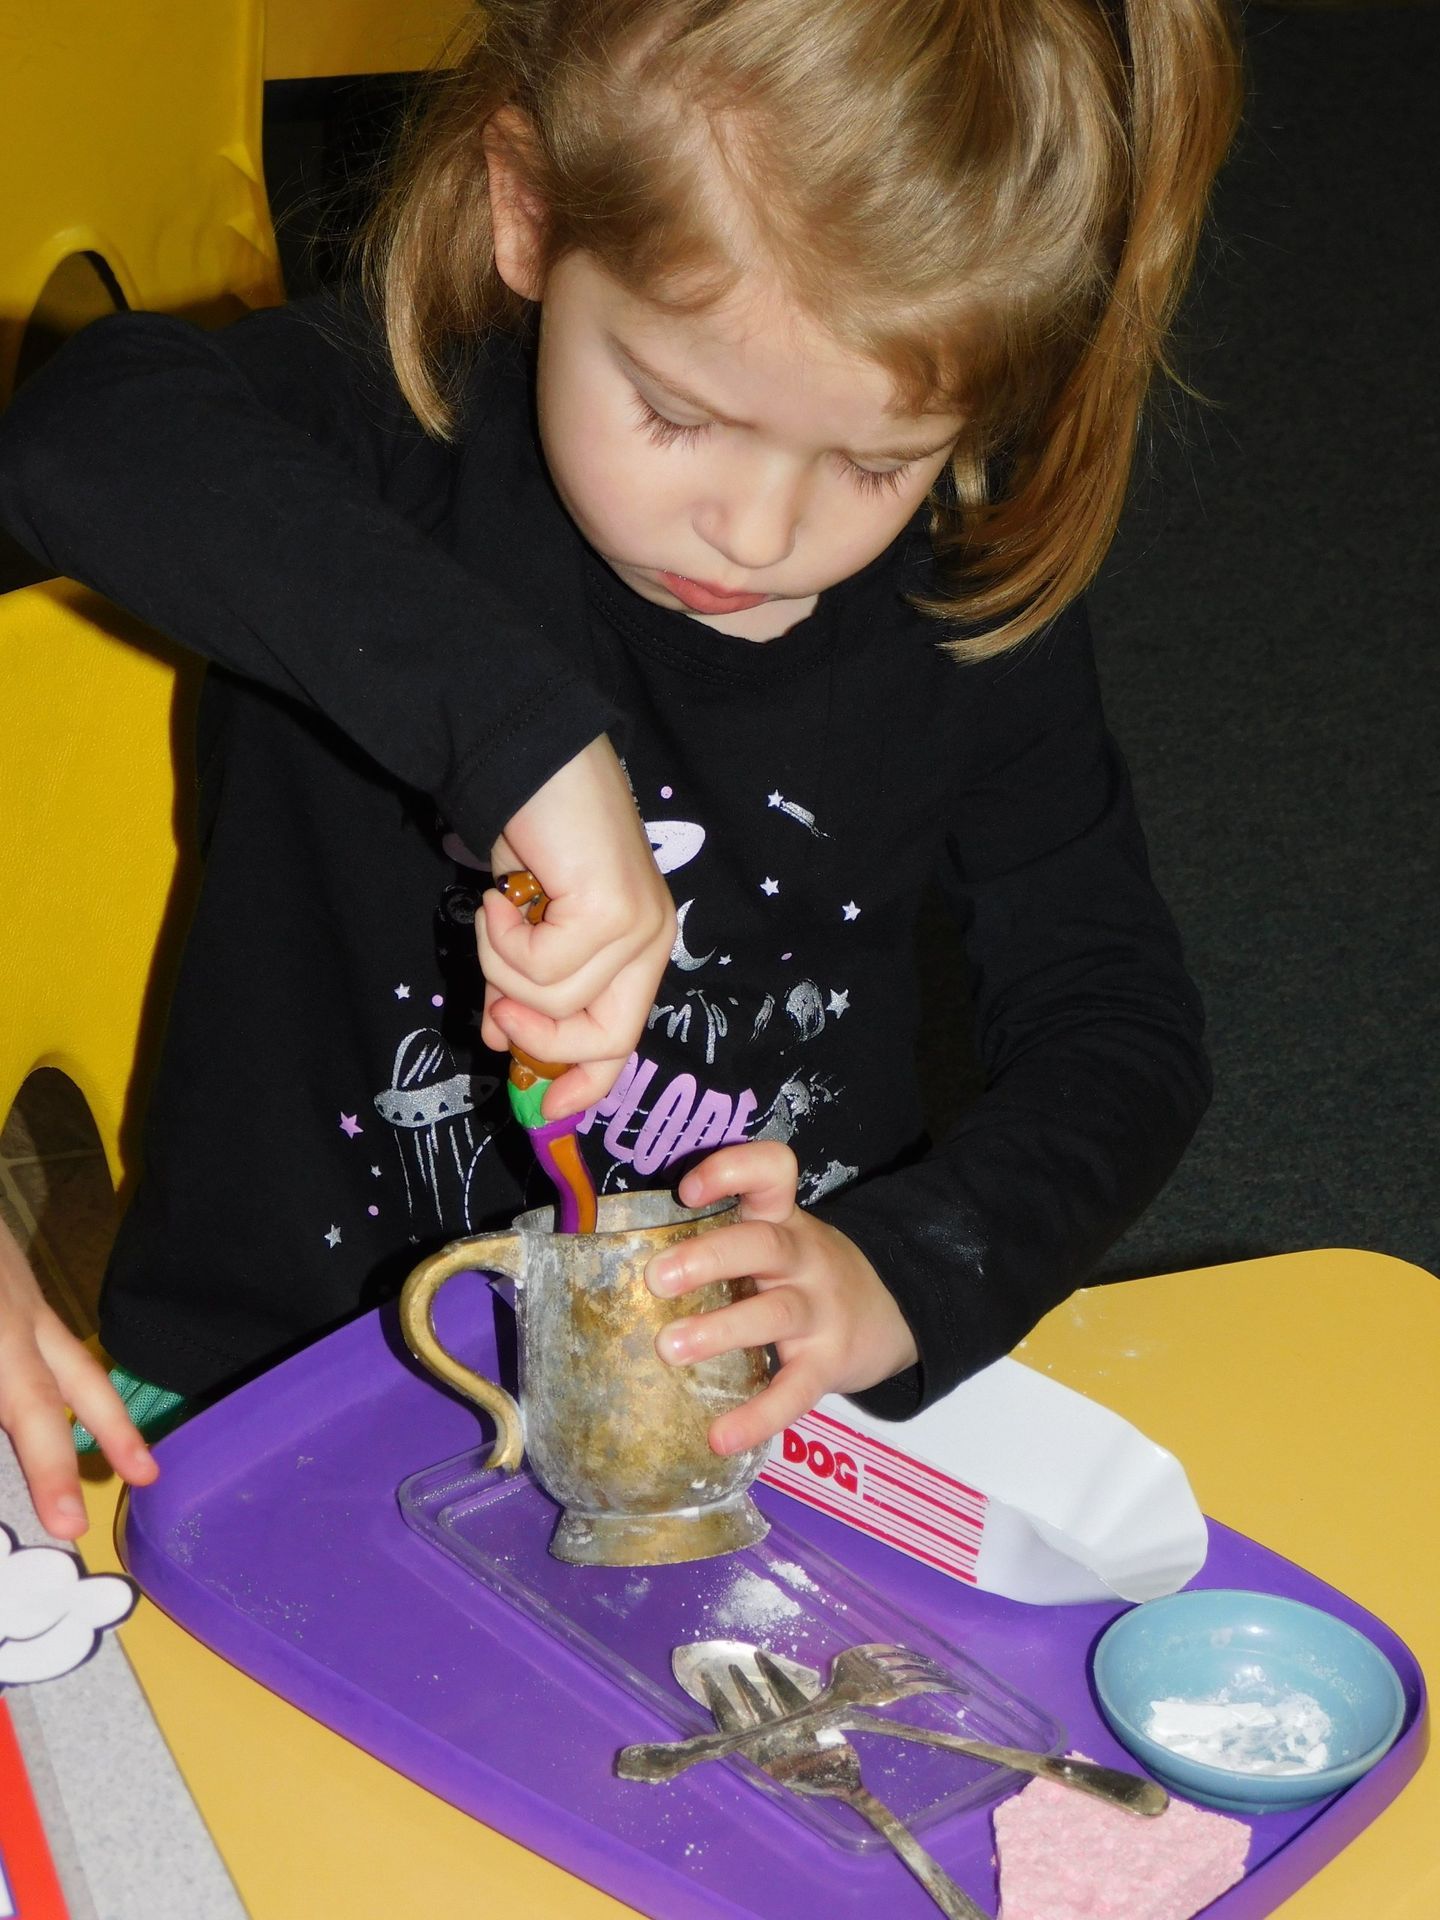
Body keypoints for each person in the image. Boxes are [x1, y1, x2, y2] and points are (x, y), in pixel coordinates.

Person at [0, 0, 1240, 1543]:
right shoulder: (395, 442)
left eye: (875, 459)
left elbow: (1119, 1029)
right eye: (677, 412)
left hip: (745, 1427)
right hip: (280, 1386)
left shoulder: (959, 605)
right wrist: (530, 750)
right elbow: (82, 433)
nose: (761, 531)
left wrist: (893, 1272)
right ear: (528, 213)